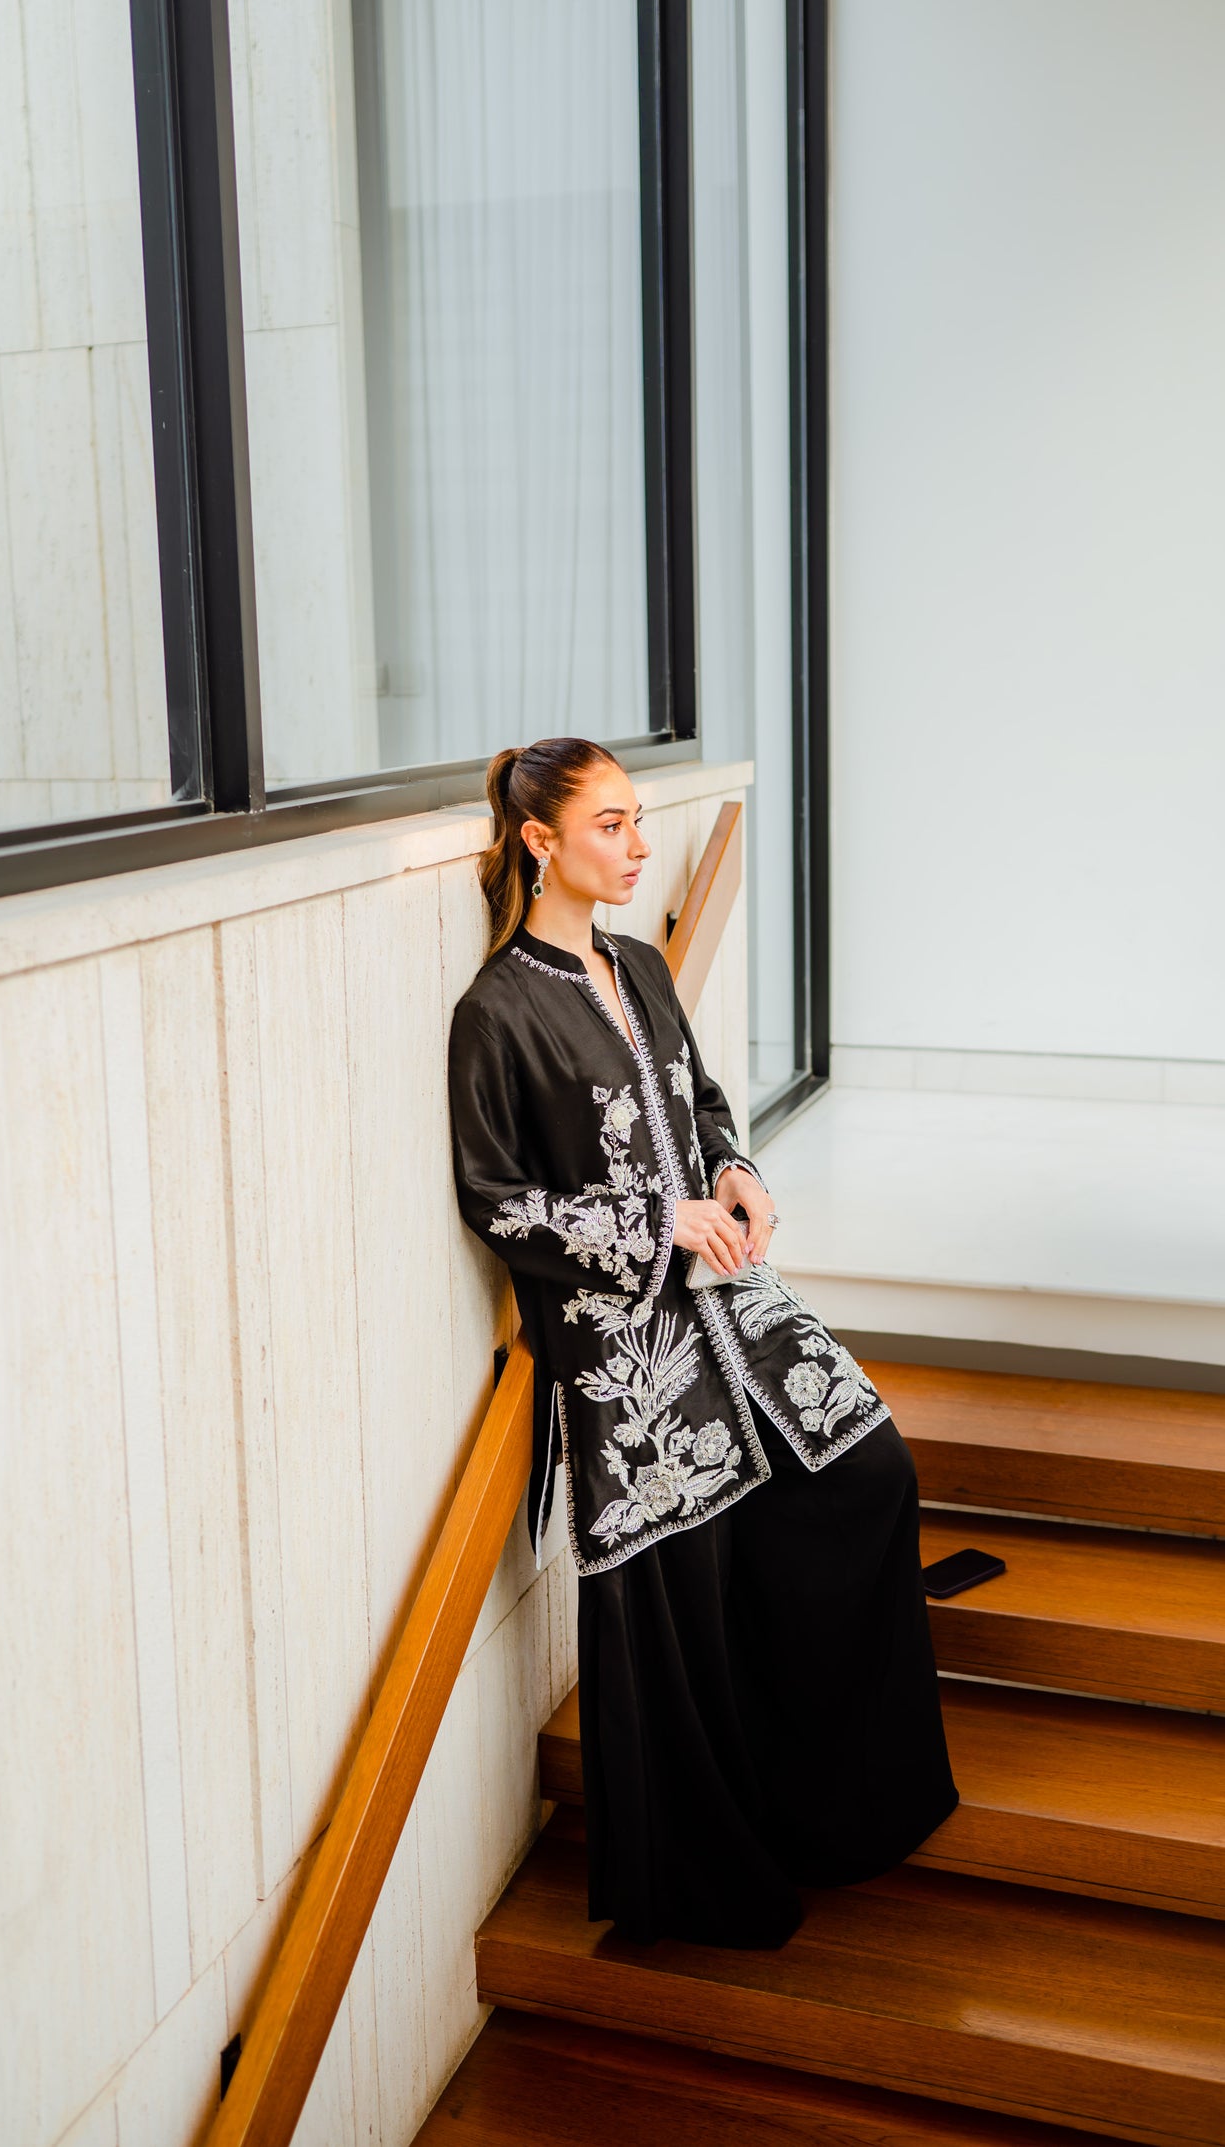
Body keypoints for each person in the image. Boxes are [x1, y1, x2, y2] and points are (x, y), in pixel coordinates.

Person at [445, 737, 959, 1949]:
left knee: (867, 1469)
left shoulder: (639, 965)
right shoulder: (496, 1011)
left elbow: (705, 1098)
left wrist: (734, 1173)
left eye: (636, 825)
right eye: (612, 826)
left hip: (732, 1300)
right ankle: (716, 1867)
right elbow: (495, 1199)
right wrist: (649, 1222)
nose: (635, 847)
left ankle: (840, 1801)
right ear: (539, 842)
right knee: (688, 1566)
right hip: (629, 1343)